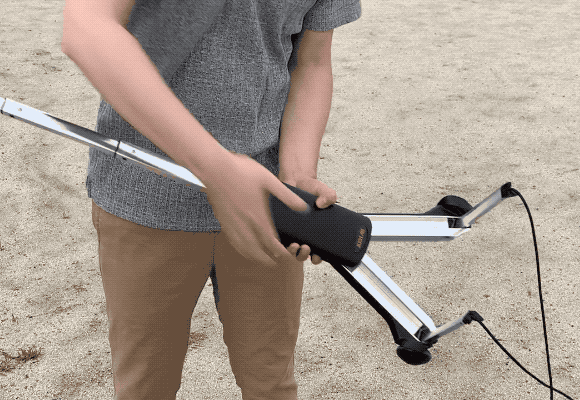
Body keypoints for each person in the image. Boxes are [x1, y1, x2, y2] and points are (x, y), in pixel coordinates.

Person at [61, 0, 361, 398]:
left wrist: (297, 176)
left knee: (271, 384)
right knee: (145, 387)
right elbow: (85, 27)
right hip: (144, 198)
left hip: (267, 207)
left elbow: (313, 61)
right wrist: (218, 171)